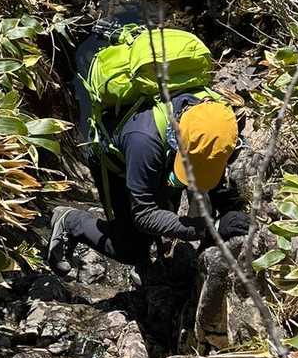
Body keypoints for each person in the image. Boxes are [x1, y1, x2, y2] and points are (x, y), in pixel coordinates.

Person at [48, 20, 250, 275]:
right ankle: (70, 221)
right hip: (116, 161)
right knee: (131, 249)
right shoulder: (143, 139)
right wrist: (211, 228)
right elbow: (144, 215)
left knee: (169, 200)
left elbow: (215, 163)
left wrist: (229, 210)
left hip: (159, 150)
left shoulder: (220, 114)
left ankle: (158, 257)